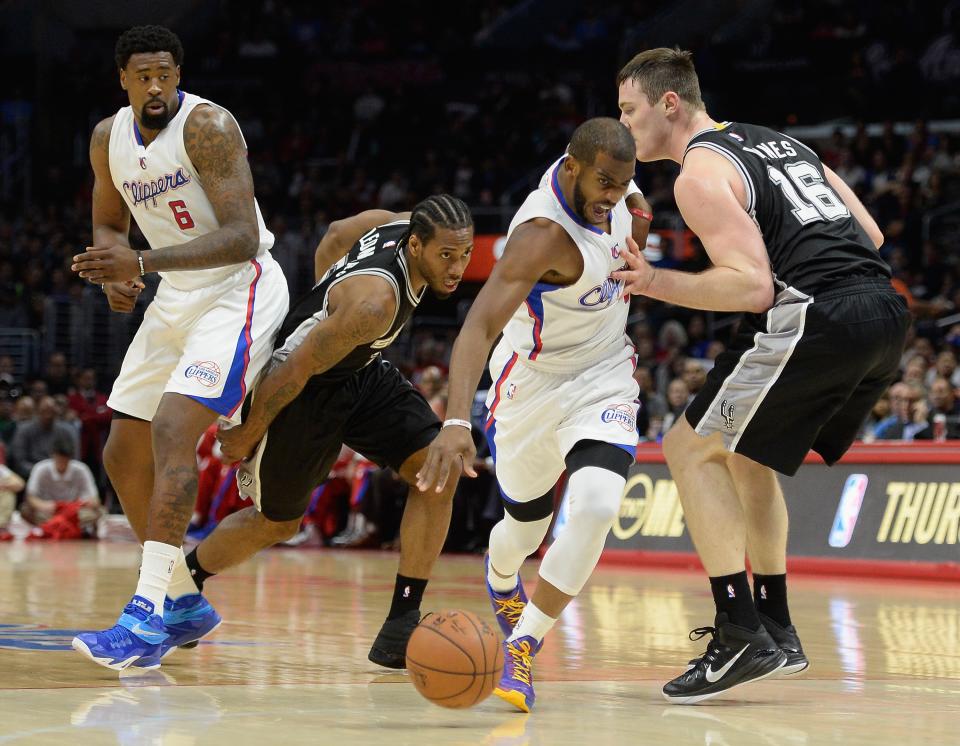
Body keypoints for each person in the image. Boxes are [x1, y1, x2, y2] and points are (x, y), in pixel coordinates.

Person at [615, 47, 910, 703]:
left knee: (687, 449)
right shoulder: (782, 143)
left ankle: (738, 630)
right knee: (743, 456)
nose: (626, 127)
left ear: (671, 103)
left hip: (816, 316)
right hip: (885, 312)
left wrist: (654, 280)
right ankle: (775, 624)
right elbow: (871, 234)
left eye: (630, 111)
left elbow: (751, 289)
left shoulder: (698, 173)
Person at [70, 25, 289, 670]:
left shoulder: (208, 128)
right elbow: (109, 221)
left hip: (236, 288)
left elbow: (243, 236)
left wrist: (141, 257)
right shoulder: (108, 138)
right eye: (144, 76)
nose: (156, 86)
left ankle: (144, 618)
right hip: (173, 294)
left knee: (171, 430)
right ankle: (184, 601)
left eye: (166, 73)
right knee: (121, 449)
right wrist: (120, 272)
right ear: (124, 81)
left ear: (178, 75)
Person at [416, 118, 653, 712]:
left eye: (621, 185)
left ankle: (522, 646)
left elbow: (638, 211)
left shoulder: (621, 191)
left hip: (604, 375)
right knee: (524, 529)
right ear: (571, 167)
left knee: (598, 504)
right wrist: (453, 421)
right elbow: (478, 326)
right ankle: (500, 579)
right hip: (531, 383)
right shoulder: (540, 235)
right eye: (604, 183)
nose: (612, 198)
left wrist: (636, 232)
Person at [179, 195, 474, 669]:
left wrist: (329, 292)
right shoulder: (375, 305)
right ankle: (182, 582)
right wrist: (249, 432)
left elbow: (338, 230)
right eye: (446, 256)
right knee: (279, 522)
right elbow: (295, 368)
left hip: (359, 370)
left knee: (437, 468)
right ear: (416, 245)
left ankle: (401, 621)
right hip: (304, 388)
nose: (457, 267)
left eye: (464, 254)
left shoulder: (395, 223)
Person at [21, 438, 102, 535]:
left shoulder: (81, 469)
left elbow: (95, 500)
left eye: (65, 459)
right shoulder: (40, 468)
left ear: (70, 458)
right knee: (26, 510)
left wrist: (81, 505)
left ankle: (56, 526)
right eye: (59, 458)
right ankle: (55, 526)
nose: (62, 462)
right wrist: (44, 506)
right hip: (47, 512)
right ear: (53, 455)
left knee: (99, 511)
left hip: (74, 513)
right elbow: (30, 497)